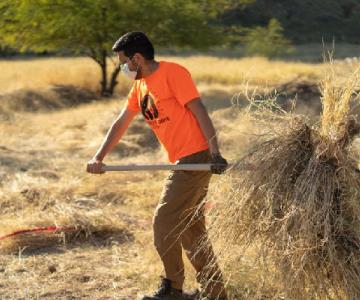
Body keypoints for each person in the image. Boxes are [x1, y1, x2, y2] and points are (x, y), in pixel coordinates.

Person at [86, 31, 228, 300]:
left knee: (164, 222)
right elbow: (121, 122)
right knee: (190, 229)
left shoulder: (173, 73)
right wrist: (99, 157)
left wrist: (215, 153)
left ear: (137, 58)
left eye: (124, 61)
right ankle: (217, 293)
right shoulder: (139, 86)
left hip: (195, 158)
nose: (123, 67)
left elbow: (200, 110)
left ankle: (173, 288)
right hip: (180, 161)